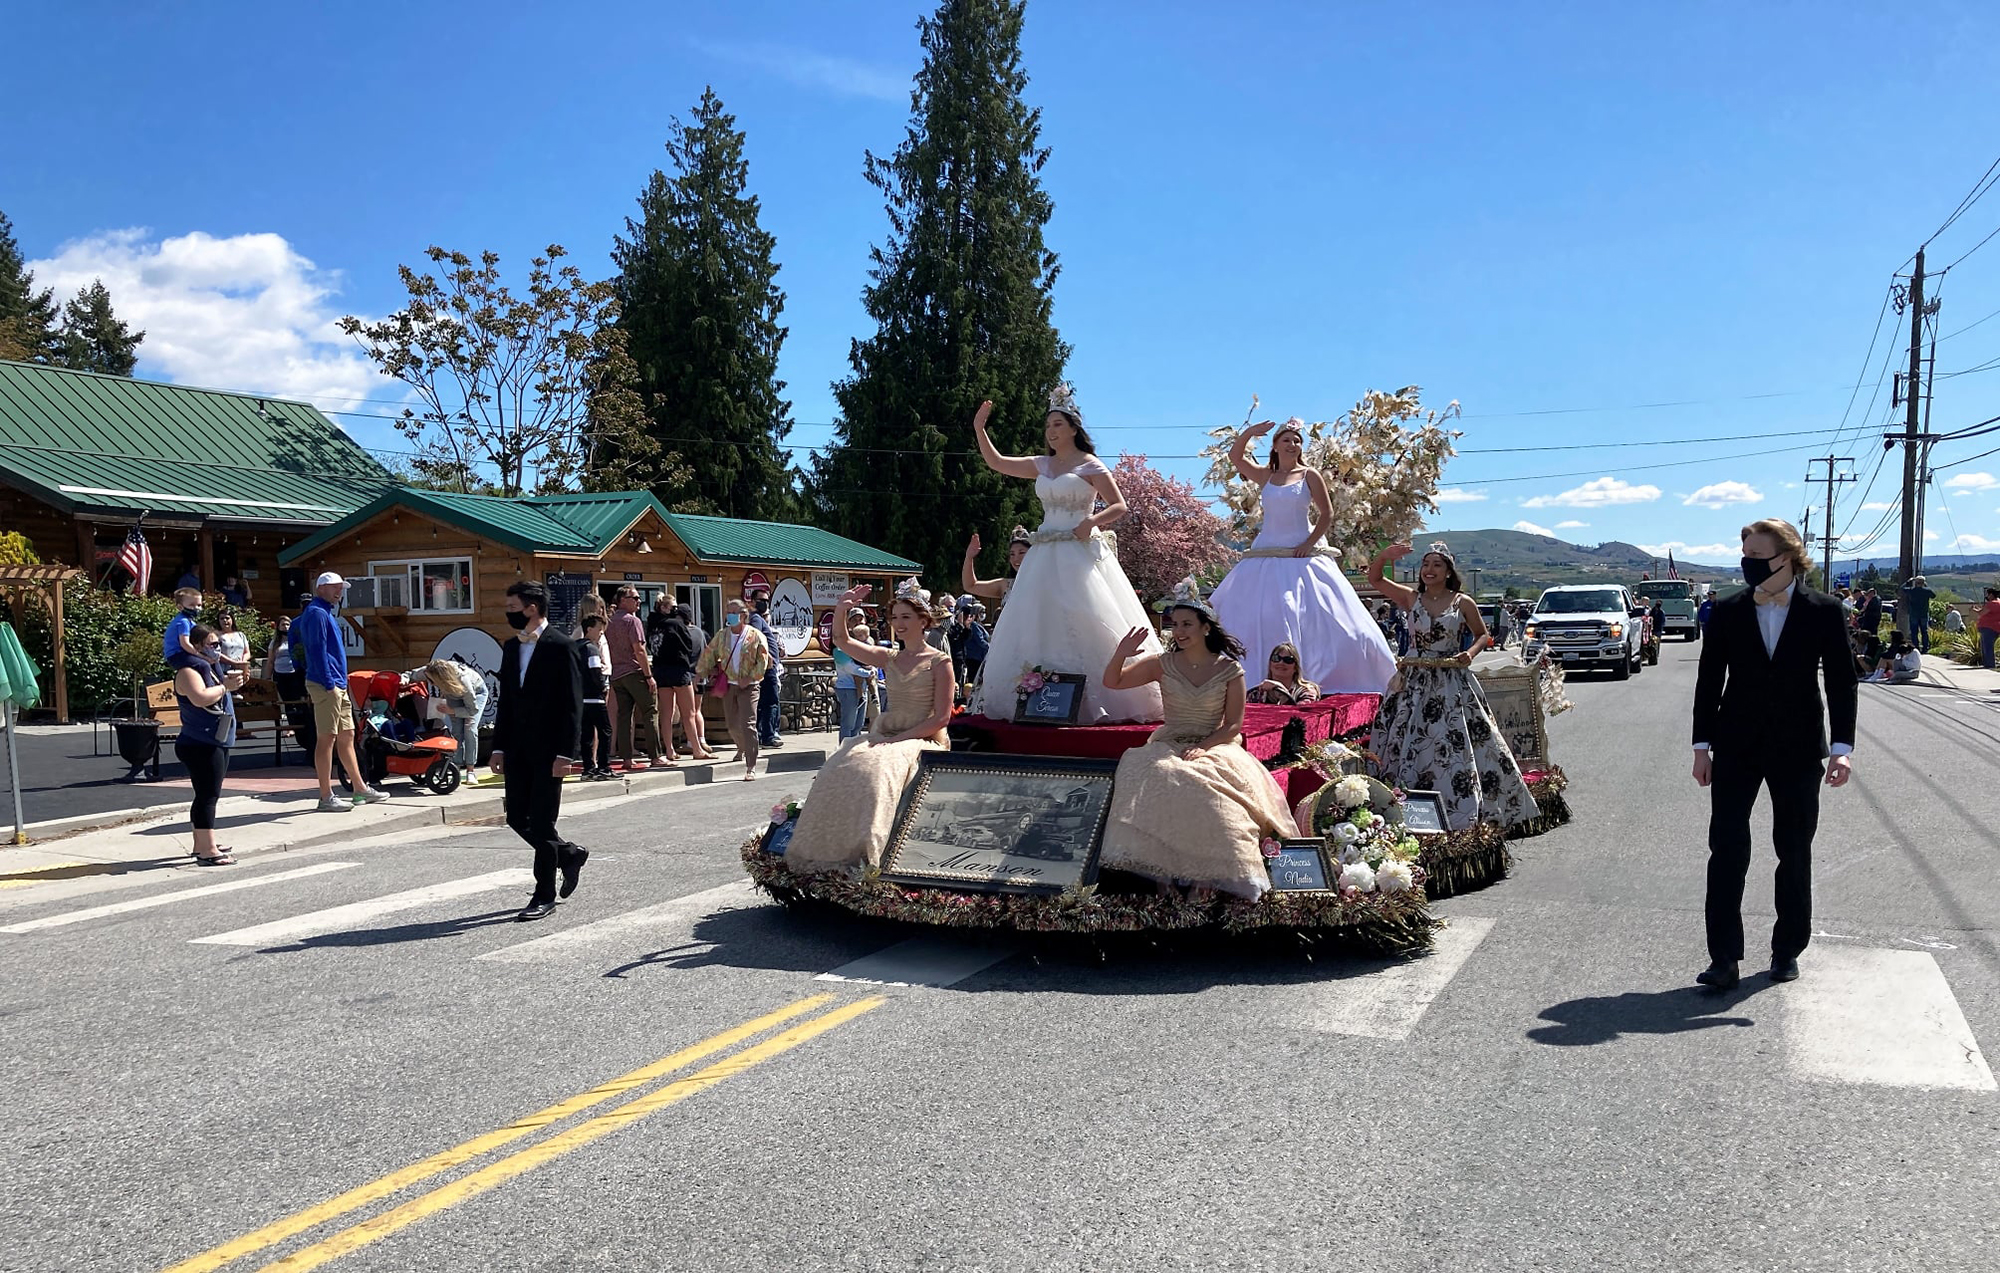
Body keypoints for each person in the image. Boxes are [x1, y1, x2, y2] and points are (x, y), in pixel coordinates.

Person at [1691, 518, 1857, 990]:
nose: (1748, 565)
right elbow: (1709, 682)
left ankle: (1787, 951)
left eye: (1757, 557)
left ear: (1787, 558)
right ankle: (1723, 958)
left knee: (1794, 850)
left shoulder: (1825, 611)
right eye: (1744, 555)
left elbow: (1842, 681)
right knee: (1726, 850)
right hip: (1736, 744)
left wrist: (1842, 749)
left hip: (1799, 747)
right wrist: (1701, 747)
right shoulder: (1726, 610)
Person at [965, 385, 1165, 724]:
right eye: (1047, 426)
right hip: (1044, 552)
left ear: (1073, 427)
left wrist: (1092, 522)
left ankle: (1101, 700)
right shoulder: (1041, 465)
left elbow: (1119, 505)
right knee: (1036, 618)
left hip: (1078, 550)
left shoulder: (1090, 465)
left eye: (1057, 424)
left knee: (1087, 615)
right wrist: (979, 430)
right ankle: (1036, 699)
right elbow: (996, 462)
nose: (1051, 431)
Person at [1096, 594, 1297, 898]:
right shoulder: (1161, 663)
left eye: (1187, 624)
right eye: (1175, 624)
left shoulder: (1230, 670)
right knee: (1159, 773)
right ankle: (1163, 874)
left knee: (1208, 784)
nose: (1179, 630)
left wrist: (1204, 746)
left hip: (1215, 743)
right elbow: (1113, 681)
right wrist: (1121, 653)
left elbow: (1232, 725)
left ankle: (1210, 877)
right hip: (1169, 742)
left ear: (1206, 627)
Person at [1207, 418, 1399, 696]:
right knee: (1259, 612)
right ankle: (1248, 680)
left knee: (1326, 617)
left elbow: (1327, 513)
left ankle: (1326, 678)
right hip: (1266, 552)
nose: (1292, 444)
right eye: (1286, 439)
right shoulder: (1266, 476)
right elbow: (1235, 457)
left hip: (1302, 553)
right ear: (1275, 446)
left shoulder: (1309, 475)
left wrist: (1309, 543)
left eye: (1297, 440)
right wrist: (1250, 432)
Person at [1365, 541, 1537, 832]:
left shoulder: (1463, 602)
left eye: (1437, 565)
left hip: (1451, 681)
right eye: (1425, 564)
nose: (1429, 570)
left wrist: (1469, 654)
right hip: (1413, 682)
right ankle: (1407, 808)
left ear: (1448, 571)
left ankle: (1463, 809)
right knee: (1407, 739)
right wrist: (1384, 556)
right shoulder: (1410, 598)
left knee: (1455, 742)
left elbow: (1482, 635)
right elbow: (1375, 580)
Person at [785, 586, 956, 873]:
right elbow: (842, 640)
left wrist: (901, 739)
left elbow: (941, 718)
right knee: (840, 765)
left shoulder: (939, 662)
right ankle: (827, 851)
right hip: (887, 735)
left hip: (922, 737)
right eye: (895, 617)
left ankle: (869, 854)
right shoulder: (888, 657)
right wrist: (841, 608)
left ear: (923, 621)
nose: (899, 624)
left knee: (879, 773)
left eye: (906, 617)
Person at [490, 581, 587, 921]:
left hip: (549, 750)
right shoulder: (511, 647)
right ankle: (569, 854)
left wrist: (567, 753)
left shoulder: (562, 646)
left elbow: (573, 705)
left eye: (513, 606)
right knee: (517, 817)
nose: (509, 613)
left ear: (532, 608)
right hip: (516, 747)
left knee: (542, 823)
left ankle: (543, 894)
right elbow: (507, 702)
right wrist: (498, 746)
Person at [291, 573, 387, 812]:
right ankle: (326, 796)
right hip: (327, 684)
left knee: (347, 736)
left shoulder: (324, 612)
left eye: (340, 588)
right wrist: (329, 683)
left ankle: (359, 788)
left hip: (336, 683)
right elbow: (316, 650)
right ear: (321, 588)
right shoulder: (316, 613)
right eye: (334, 588)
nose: (339, 592)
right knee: (327, 738)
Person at [172, 625, 244, 865]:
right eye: (212, 645)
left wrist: (229, 683)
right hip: (199, 743)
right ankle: (208, 850)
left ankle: (200, 843)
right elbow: (200, 697)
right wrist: (226, 687)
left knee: (204, 794)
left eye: (218, 645)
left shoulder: (210, 669)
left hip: (215, 740)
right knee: (207, 796)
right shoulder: (188, 671)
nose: (217, 649)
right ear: (196, 646)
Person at [695, 598, 772, 780]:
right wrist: (701, 671)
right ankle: (742, 747)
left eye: (733, 612)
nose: (729, 616)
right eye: (728, 612)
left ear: (743, 615)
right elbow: (709, 654)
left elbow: (763, 660)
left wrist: (750, 677)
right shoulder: (722, 635)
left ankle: (751, 766)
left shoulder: (755, 635)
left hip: (749, 686)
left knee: (748, 724)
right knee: (731, 725)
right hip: (729, 684)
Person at [405, 657, 489, 781]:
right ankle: (456, 766)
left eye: (431, 680)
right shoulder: (431, 671)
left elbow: (472, 710)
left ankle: (470, 770)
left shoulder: (464, 681)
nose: (429, 682)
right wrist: (403, 678)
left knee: (469, 729)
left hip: (475, 694)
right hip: (453, 693)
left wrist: (452, 711)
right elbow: (410, 674)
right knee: (456, 730)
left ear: (441, 678)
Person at [607, 586, 663, 771]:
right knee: (650, 711)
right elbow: (639, 650)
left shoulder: (609, 621)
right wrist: (649, 676)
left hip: (616, 674)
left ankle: (627, 758)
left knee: (624, 716)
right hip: (634, 671)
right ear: (623, 599)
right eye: (635, 597)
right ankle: (655, 756)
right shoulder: (633, 621)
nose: (639, 601)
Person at [651, 602, 711, 762]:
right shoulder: (677, 625)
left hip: (660, 671)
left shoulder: (655, 625)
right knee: (689, 713)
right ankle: (697, 749)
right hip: (679, 671)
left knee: (666, 713)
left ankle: (669, 750)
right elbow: (687, 646)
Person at [264, 613, 316, 760]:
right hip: (280, 673)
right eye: (282, 624)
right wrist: (268, 677)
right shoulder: (275, 642)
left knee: (297, 700)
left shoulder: (296, 638)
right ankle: (292, 726)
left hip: (294, 672)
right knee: (287, 702)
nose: (285, 627)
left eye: (287, 624)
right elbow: (270, 661)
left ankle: (300, 728)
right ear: (278, 627)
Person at [961, 527, 1033, 618]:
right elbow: (970, 585)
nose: (1016, 559)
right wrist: (969, 557)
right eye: (1012, 554)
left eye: (1021, 553)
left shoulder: (1044, 582)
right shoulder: (1005, 585)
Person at [577, 613, 614, 779]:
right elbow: (595, 671)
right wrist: (603, 687)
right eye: (599, 629)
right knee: (605, 731)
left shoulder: (574, 647)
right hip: (595, 698)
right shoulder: (591, 648)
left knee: (586, 735)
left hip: (580, 699)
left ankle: (588, 768)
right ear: (589, 629)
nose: (601, 632)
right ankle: (604, 766)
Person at [831, 608, 878, 741]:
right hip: (847, 688)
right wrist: (869, 672)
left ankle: (853, 752)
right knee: (848, 724)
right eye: (854, 620)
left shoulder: (865, 644)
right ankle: (843, 753)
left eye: (860, 619)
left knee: (858, 725)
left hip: (862, 687)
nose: (857, 622)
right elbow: (850, 668)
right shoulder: (840, 649)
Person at [748, 590, 785, 750]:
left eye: (767, 600)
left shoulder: (756, 619)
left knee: (763, 703)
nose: (765, 603)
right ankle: (768, 736)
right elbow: (755, 638)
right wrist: (767, 656)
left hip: (765, 667)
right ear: (752, 601)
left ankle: (761, 734)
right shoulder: (755, 618)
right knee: (770, 702)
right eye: (761, 600)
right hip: (765, 667)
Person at [1246, 642, 1321, 705]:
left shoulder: (1307, 691)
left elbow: (1301, 715)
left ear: (1295, 667)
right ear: (1270, 664)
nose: (1281, 663)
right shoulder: (1257, 693)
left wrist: (1284, 695)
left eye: (1288, 660)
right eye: (1276, 658)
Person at [947, 598, 990, 700]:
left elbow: (966, 636)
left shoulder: (974, 626)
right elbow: (979, 641)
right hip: (971, 658)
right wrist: (991, 648)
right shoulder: (969, 626)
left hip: (970, 657)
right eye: (981, 612)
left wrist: (966, 627)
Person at [163, 587, 204, 664]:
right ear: (180, 607)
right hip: (176, 655)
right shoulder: (183, 622)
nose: (196, 608)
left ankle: (221, 676)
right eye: (191, 605)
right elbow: (185, 644)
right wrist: (200, 655)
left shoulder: (190, 621)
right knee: (203, 665)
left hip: (185, 653)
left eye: (199, 605)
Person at [1900, 576, 1936, 653]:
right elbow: (1933, 595)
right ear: (1923, 583)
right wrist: (1926, 586)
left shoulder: (1912, 591)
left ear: (1916, 583)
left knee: (1914, 632)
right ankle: (1925, 648)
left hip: (1914, 614)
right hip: (1923, 614)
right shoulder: (1927, 591)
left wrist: (1909, 581)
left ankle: (1916, 647)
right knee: (1924, 632)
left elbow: (1902, 588)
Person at [214, 609, 250, 675]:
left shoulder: (240, 635)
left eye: (227, 618)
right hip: (224, 671)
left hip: (240, 670)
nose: (225, 620)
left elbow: (247, 652)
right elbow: (216, 653)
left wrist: (242, 662)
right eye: (222, 618)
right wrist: (233, 662)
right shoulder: (216, 636)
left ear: (232, 620)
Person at [1978, 586, 2000, 670]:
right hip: (1994, 627)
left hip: (1989, 628)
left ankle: (1989, 664)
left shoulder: (1993, 603)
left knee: (1987, 647)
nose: (1987, 596)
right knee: (1986, 646)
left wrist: (1977, 611)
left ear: (1991, 594)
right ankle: (1988, 664)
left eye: (1988, 594)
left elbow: (1982, 613)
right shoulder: (1998, 602)